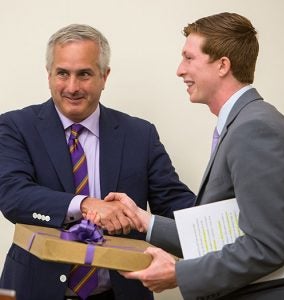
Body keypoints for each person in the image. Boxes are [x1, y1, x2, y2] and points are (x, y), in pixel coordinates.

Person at [0, 24, 196, 300]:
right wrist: (85, 204)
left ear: (105, 76)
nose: (72, 87)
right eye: (62, 74)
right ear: (49, 75)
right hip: (33, 290)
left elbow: (175, 206)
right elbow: (12, 196)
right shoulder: (15, 126)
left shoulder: (140, 134)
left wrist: (227, 221)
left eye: (84, 74)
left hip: (120, 292)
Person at [103, 12, 284, 300]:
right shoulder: (243, 122)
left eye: (189, 58)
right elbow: (224, 236)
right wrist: (144, 220)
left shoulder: (254, 128)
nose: (179, 70)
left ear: (223, 65)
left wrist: (179, 274)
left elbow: (269, 245)